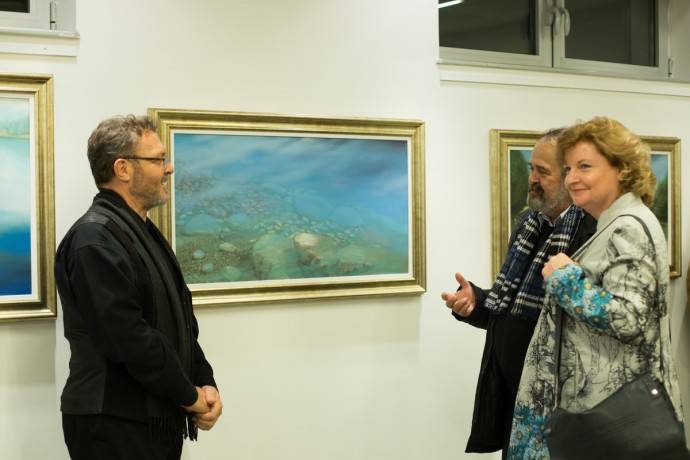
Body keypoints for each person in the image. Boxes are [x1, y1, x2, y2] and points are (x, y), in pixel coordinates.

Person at [508, 116, 686, 458]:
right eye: (569, 168)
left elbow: (629, 319)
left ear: (621, 169)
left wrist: (565, 279)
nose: (572, 178)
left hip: (616, 419)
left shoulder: (628, 227)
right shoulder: (615, 223)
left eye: (585, 166)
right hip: (605, 414)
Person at [55, 115, 223, 460]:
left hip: (152, 419)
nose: (169, 168)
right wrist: (189, 395)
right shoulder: (94, 239)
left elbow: (182, 324)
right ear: (123, 169)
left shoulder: (141, 231)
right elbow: (128, 338)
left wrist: (206, 383)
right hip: (112, 423)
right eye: (158, 159)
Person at [441, 129, 596, 459]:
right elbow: (511, 306)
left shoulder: (590, 231)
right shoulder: (529, 224)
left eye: (543, 171)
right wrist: (475, 302)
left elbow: (586, 318)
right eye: (531, 168)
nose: (532, 179)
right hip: (514, 398)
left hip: (558, 405)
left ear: (569, 177)